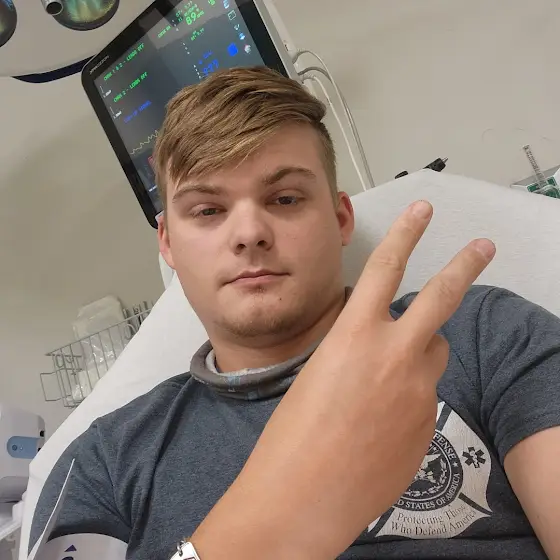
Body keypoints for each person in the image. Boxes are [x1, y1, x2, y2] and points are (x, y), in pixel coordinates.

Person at [30, 67, 560, 560]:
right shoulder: (102, 465)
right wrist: (287, 512)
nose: (249, 233)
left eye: (284, 199)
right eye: (208, 210)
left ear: (341, 218)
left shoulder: (481, 335)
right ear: (167, 242)